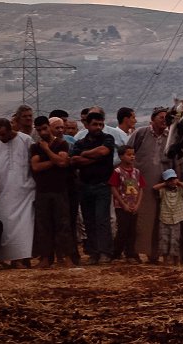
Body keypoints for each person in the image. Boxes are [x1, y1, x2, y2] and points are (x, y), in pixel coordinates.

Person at [0, 118, 36, 268]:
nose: (1, 138)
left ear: (10, 130)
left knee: (25, 228)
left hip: (26, 191)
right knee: (6, 226)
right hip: (4, 192)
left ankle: (23, 259)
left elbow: (33, 163)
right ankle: (12, 259)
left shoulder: (26, 140)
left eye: (4, 134)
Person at [71, 111, 116, 265]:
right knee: (89, 220)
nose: (98, 127)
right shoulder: (80, 142)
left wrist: (85, 155)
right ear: (87, 125)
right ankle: (94, 253)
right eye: (95, 124)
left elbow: (103, 151)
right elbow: (75, 160)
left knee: (102, 219)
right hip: (85, 186)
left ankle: (105, 252)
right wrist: (95, 157)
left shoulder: (108, 138)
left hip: (102, 185)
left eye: (101, 124)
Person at [128, 107, 171, 263]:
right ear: (152, 119)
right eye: (161, 117)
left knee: (161, 219)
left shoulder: (170, 136)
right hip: (142, 183)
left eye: (166, 118)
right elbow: (128, 153)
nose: (164, 120)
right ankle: (139, 252)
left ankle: (155, 254)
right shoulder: (140, 133)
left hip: (165, 183)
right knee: (144, 219)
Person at [30, 117, 73, 268]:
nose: (42, 132)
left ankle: (66, 256)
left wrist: (47, 150)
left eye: (44, 128)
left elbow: (63, 163)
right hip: (42, 190)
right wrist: (55, 161)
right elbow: (35, 167)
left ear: (49, 127)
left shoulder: (61, 143)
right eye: (39, 129)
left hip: (59, 189)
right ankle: (46, 257)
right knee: (44, 225)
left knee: (63, 224)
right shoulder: (35, 147)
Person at [109, 145, 145, 263]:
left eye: (133, 154)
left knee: (132, 230)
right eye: (128, 154)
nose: (132, 157)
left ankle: (130, 254)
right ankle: (116, 254)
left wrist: (138, 204)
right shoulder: (117, 171)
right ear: (121, 156)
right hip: (122, 206)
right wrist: (123, 204)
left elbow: (140, 189)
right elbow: (113, 188)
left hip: (134, 206)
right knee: (123, 230)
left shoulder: (137, 172)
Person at [153, 168, 183, 265]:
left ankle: (176, 261)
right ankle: (165, 260)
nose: (172, 182)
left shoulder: (180, 190)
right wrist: (165, 183)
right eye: (169, 179)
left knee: (175, 241)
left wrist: (178, 182)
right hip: (164, 219)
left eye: (173, 179)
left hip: (176, 219)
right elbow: (154, 188)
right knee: (164, 240)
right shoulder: (163, 191)